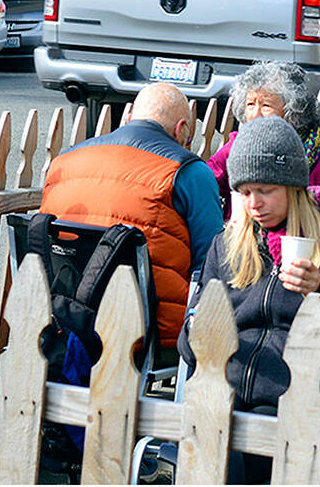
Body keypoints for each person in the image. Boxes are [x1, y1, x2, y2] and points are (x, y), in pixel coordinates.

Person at [179, 116, 320, 483]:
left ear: (295, 186)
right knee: (210, 434)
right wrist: (195, 329)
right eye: (244, 192)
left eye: (265, 190)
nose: (253, 204)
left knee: (241, 449)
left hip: (298, 403)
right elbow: (188, 349)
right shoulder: (229, 244)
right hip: (222, 393)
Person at [40, 82, 223, 349]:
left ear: (128, 118)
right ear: (181, 129)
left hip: (61, 319)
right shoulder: (188, 172)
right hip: (148, 330)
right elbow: (210, 263)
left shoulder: (64, 162)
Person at [208, 61, 320, 214]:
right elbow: (205, 181)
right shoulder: (238, 144)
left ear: (292, 112)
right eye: (250, 104)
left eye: (266, 105)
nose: (255, 115)